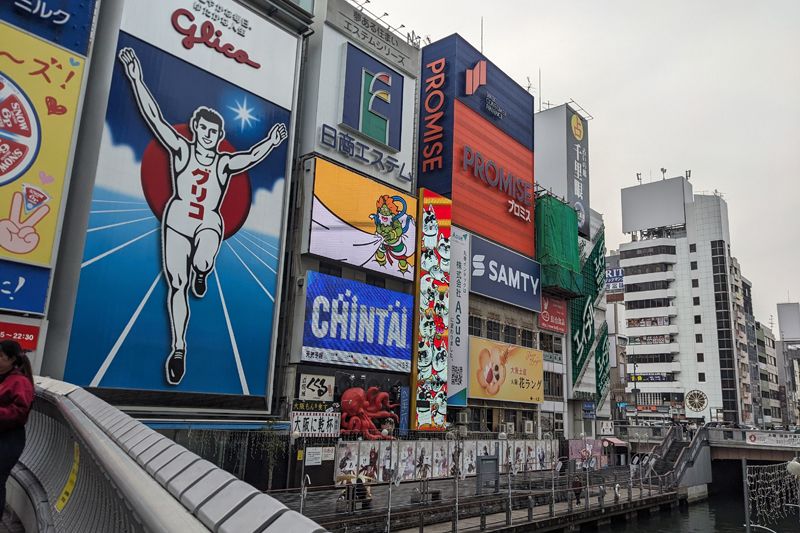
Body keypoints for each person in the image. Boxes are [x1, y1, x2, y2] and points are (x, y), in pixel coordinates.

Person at [117, 47, 288, 385]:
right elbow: (154, 118)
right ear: (196, 129)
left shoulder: (223, 163)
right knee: (175, 285)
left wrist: (270, 142)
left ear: (219, 136)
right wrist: (136, 78)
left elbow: (249, 157)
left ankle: (202, 269)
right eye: (204, 130)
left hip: (208, 218)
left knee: (209, 241)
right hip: (178, 217)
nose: (208, 136)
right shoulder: (181, 150)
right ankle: (179, 347)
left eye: (214, 132)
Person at [0, 341, 35, 513]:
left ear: (12, 359)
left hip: (8, 440)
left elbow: (21, 413)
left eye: (0, 356)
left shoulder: (20, 382)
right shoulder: (4, 378)